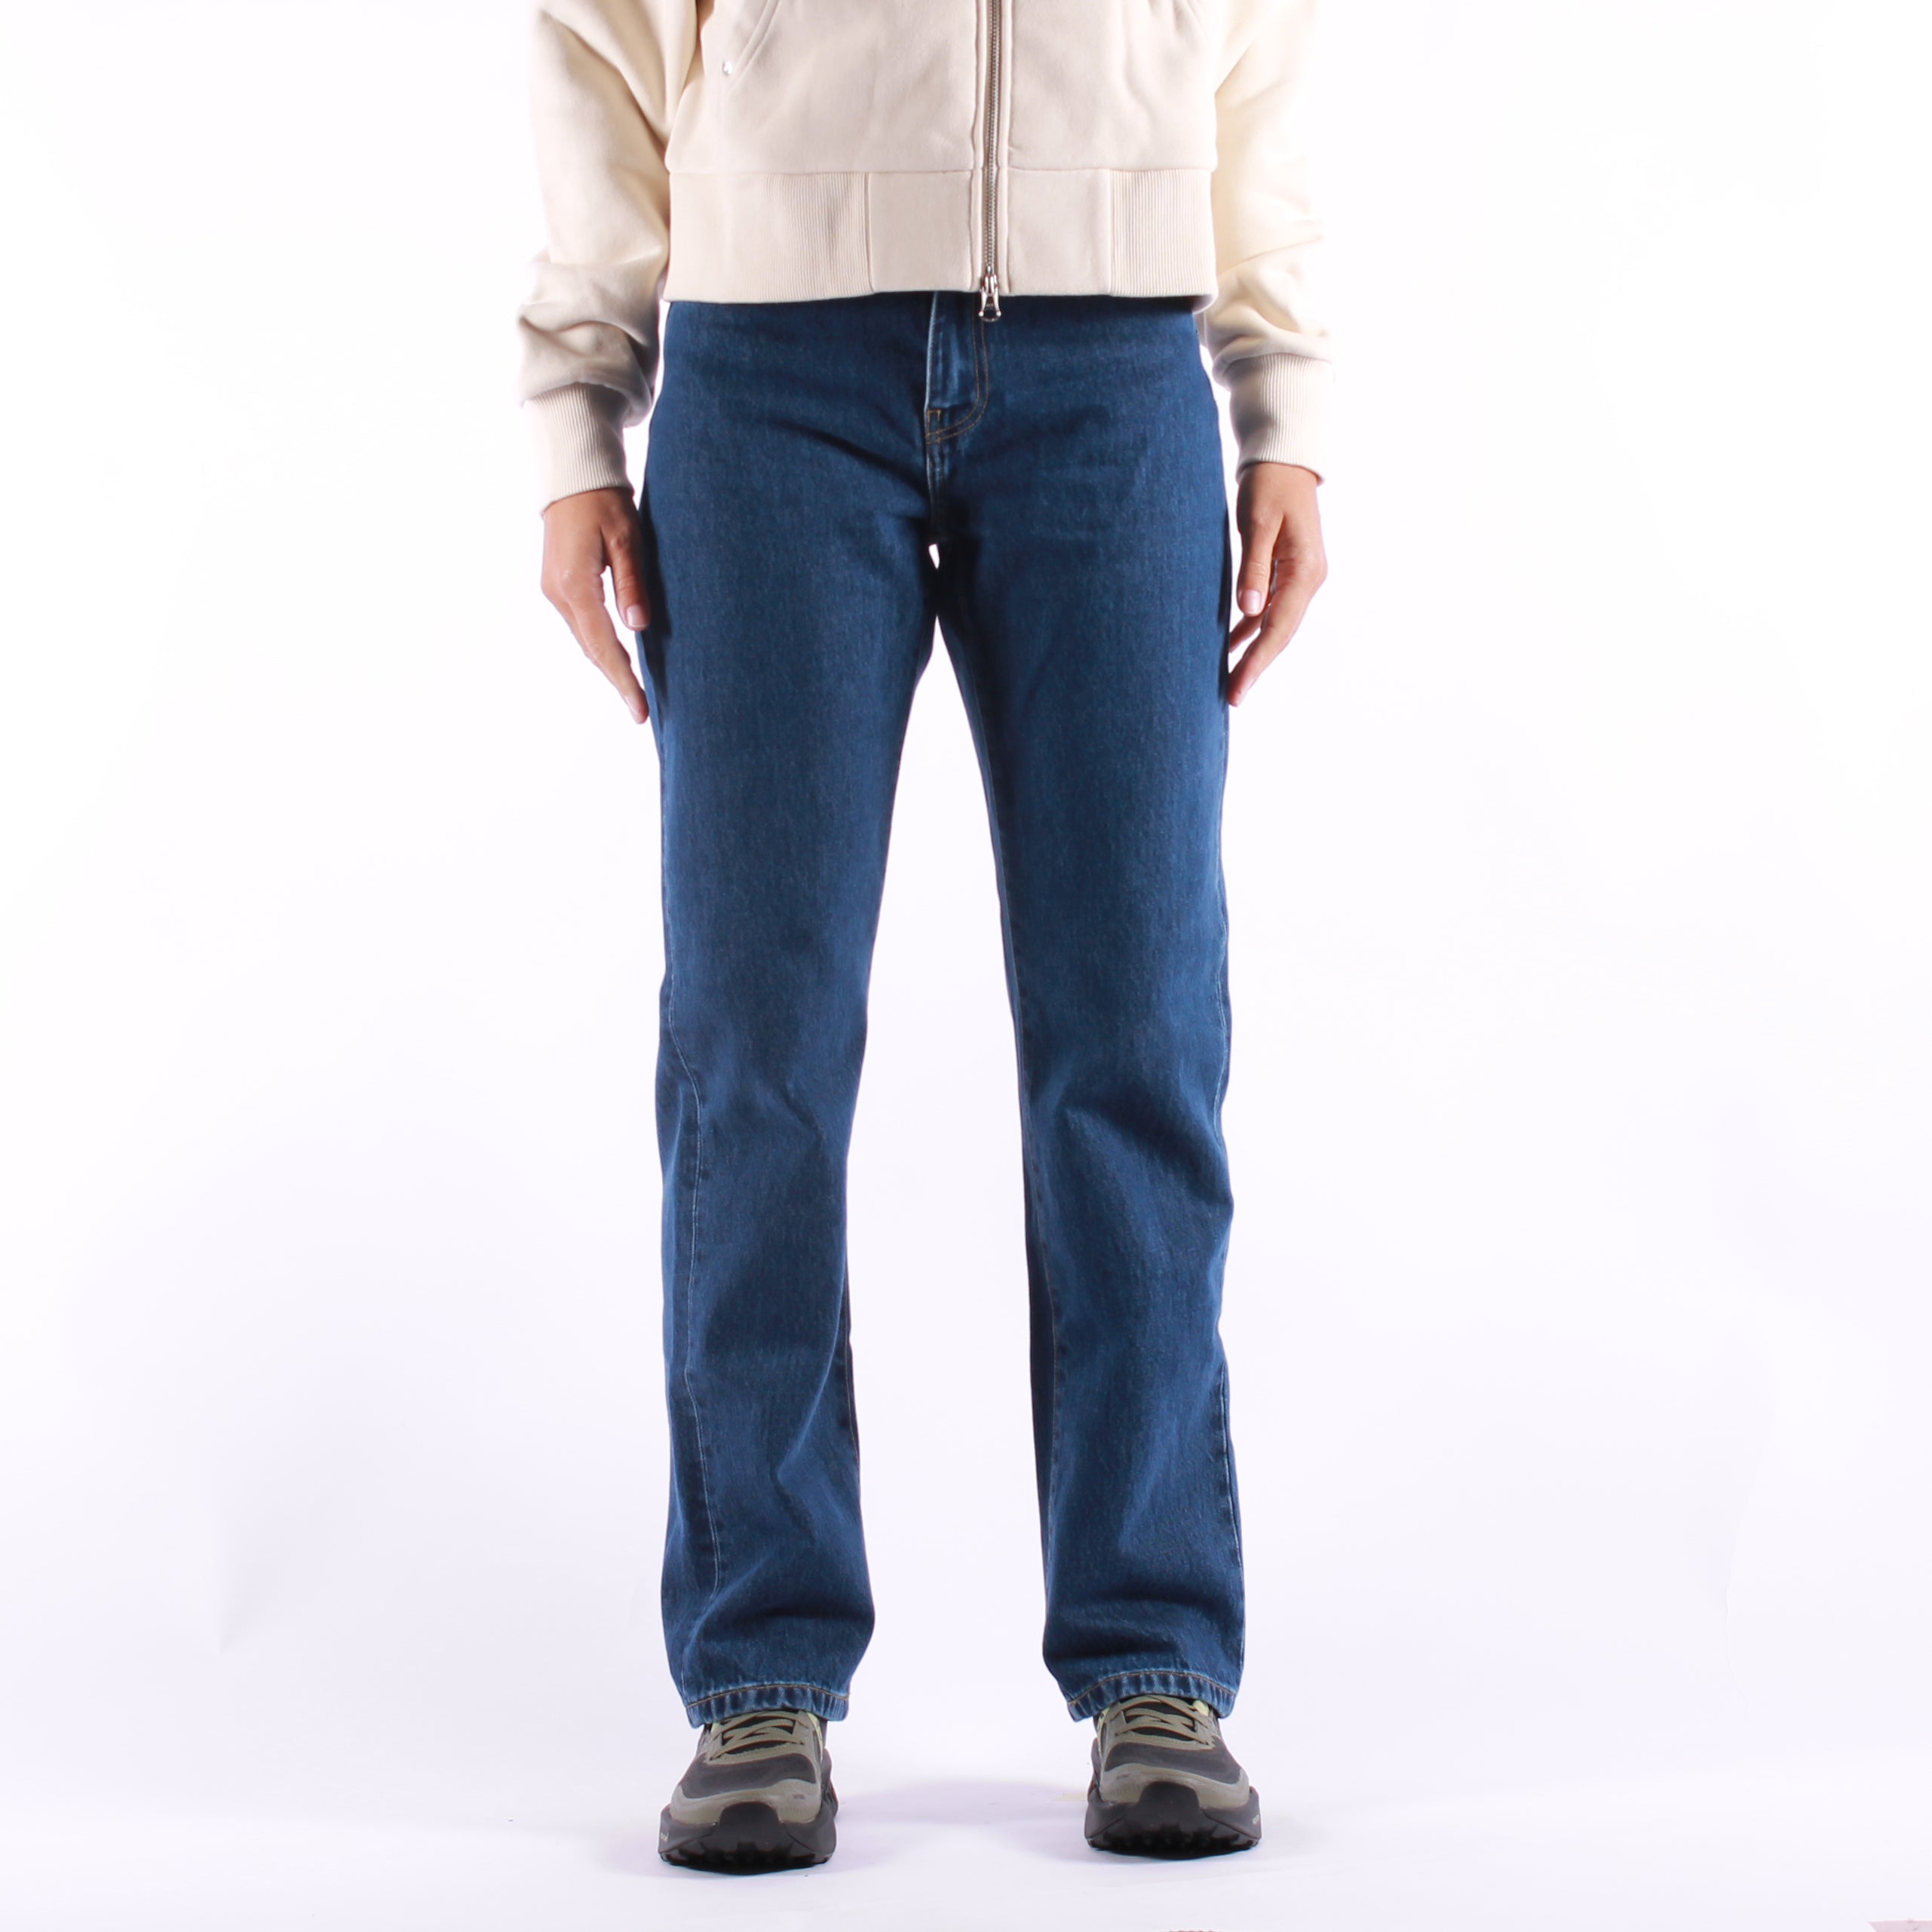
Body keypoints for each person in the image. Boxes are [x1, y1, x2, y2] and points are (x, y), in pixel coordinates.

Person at [517, 0, 1332, 1873]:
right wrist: (575, 423)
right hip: (771, 373)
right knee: (756, 1048)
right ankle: (759, 1672)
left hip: (1117, 367)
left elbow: (1267, 44)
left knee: (1138, 1032)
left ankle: (1154, 1659)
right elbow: (598, 30)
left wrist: (1284, 406)